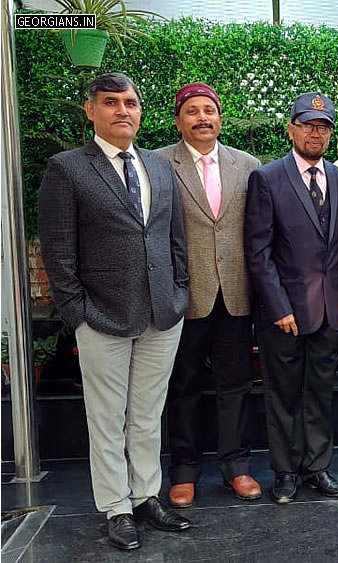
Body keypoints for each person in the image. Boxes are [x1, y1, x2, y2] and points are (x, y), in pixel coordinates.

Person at [38, 73, 191, 550]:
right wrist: (77, 311)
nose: (122, 111)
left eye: (130, 103)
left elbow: (175, 240)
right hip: (101, 316)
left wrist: (180, 292)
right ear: (91, 111)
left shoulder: (159, 166)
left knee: (147, 414)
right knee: (106, 417)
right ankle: (116, 507)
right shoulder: (68, 169)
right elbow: (58, 251)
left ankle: (146, 495)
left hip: (161, 314)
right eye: (111, 103)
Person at [245, 92, 338, 504]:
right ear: (291, 128)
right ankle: (286, 472)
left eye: (324, 126)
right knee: (283, 394)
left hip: (330, 309)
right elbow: (258, 251)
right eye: (308, 124)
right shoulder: (267, 178)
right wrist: (278, 307)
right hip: (285, 312)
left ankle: (318, 467)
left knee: (320, 392)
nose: (316, 133)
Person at [157, 83, 262, 508]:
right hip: (185, 295)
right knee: (183, 384)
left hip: (236, 294)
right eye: (193, 111)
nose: (203, 118)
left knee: (235, 384)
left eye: (210, 111)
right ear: (179, 120)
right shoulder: (159, 164)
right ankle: (183, 471)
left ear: (220, 118)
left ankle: (236, 467)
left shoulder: (248, 165)